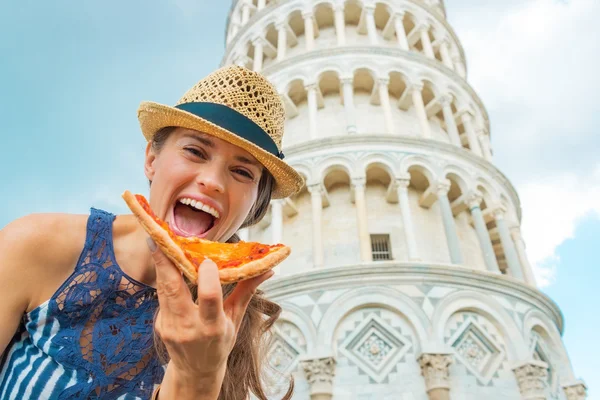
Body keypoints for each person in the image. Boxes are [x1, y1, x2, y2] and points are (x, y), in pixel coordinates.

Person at [0, 65, 302, 399]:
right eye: (195, 151)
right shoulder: (36, 243)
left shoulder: (232, 322)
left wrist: (198, 375)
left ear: (253, 206)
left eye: (242, 171)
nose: (213, 181)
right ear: (151, 160)